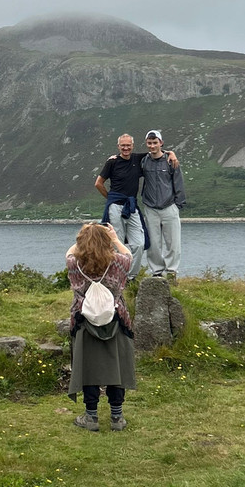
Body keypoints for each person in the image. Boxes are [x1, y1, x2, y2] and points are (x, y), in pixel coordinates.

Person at [65, 222, 136, 431]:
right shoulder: (120, 263)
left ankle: (91, 417)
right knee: (117, 367)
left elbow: (68, 253)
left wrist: (84, 237)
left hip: (84, 321)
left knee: (89, 368)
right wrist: (114, 239)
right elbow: (129, 254)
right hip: (116, 319)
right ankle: (117, 417)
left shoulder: (75, 265)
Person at [94, 134, 178, 280]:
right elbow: (98, 183)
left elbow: (156, 151)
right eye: (122, 145)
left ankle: (130, 277)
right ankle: (118, 277)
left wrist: (172, 154)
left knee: (139, 244)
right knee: (117, 243)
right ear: (118, 146)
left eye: (128, 145)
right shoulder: (112, 163)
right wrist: (111, 198)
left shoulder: (138, 159)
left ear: (132, 146)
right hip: (115, 207)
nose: (126, 148)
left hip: (132, 206)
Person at [140, 130, 186, 278]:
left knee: (173, 243)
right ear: (146, 143)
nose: (152, 145)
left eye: (155, 142)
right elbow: (128, 159)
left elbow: (178, 182)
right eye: (149, 143)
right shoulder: (143, 161)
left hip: (169, 207)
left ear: (161, 143)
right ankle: (157, 272)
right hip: (150, 208)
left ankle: (171, 272)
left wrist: (178, 204)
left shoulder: (171, 161)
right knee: (153, 244)